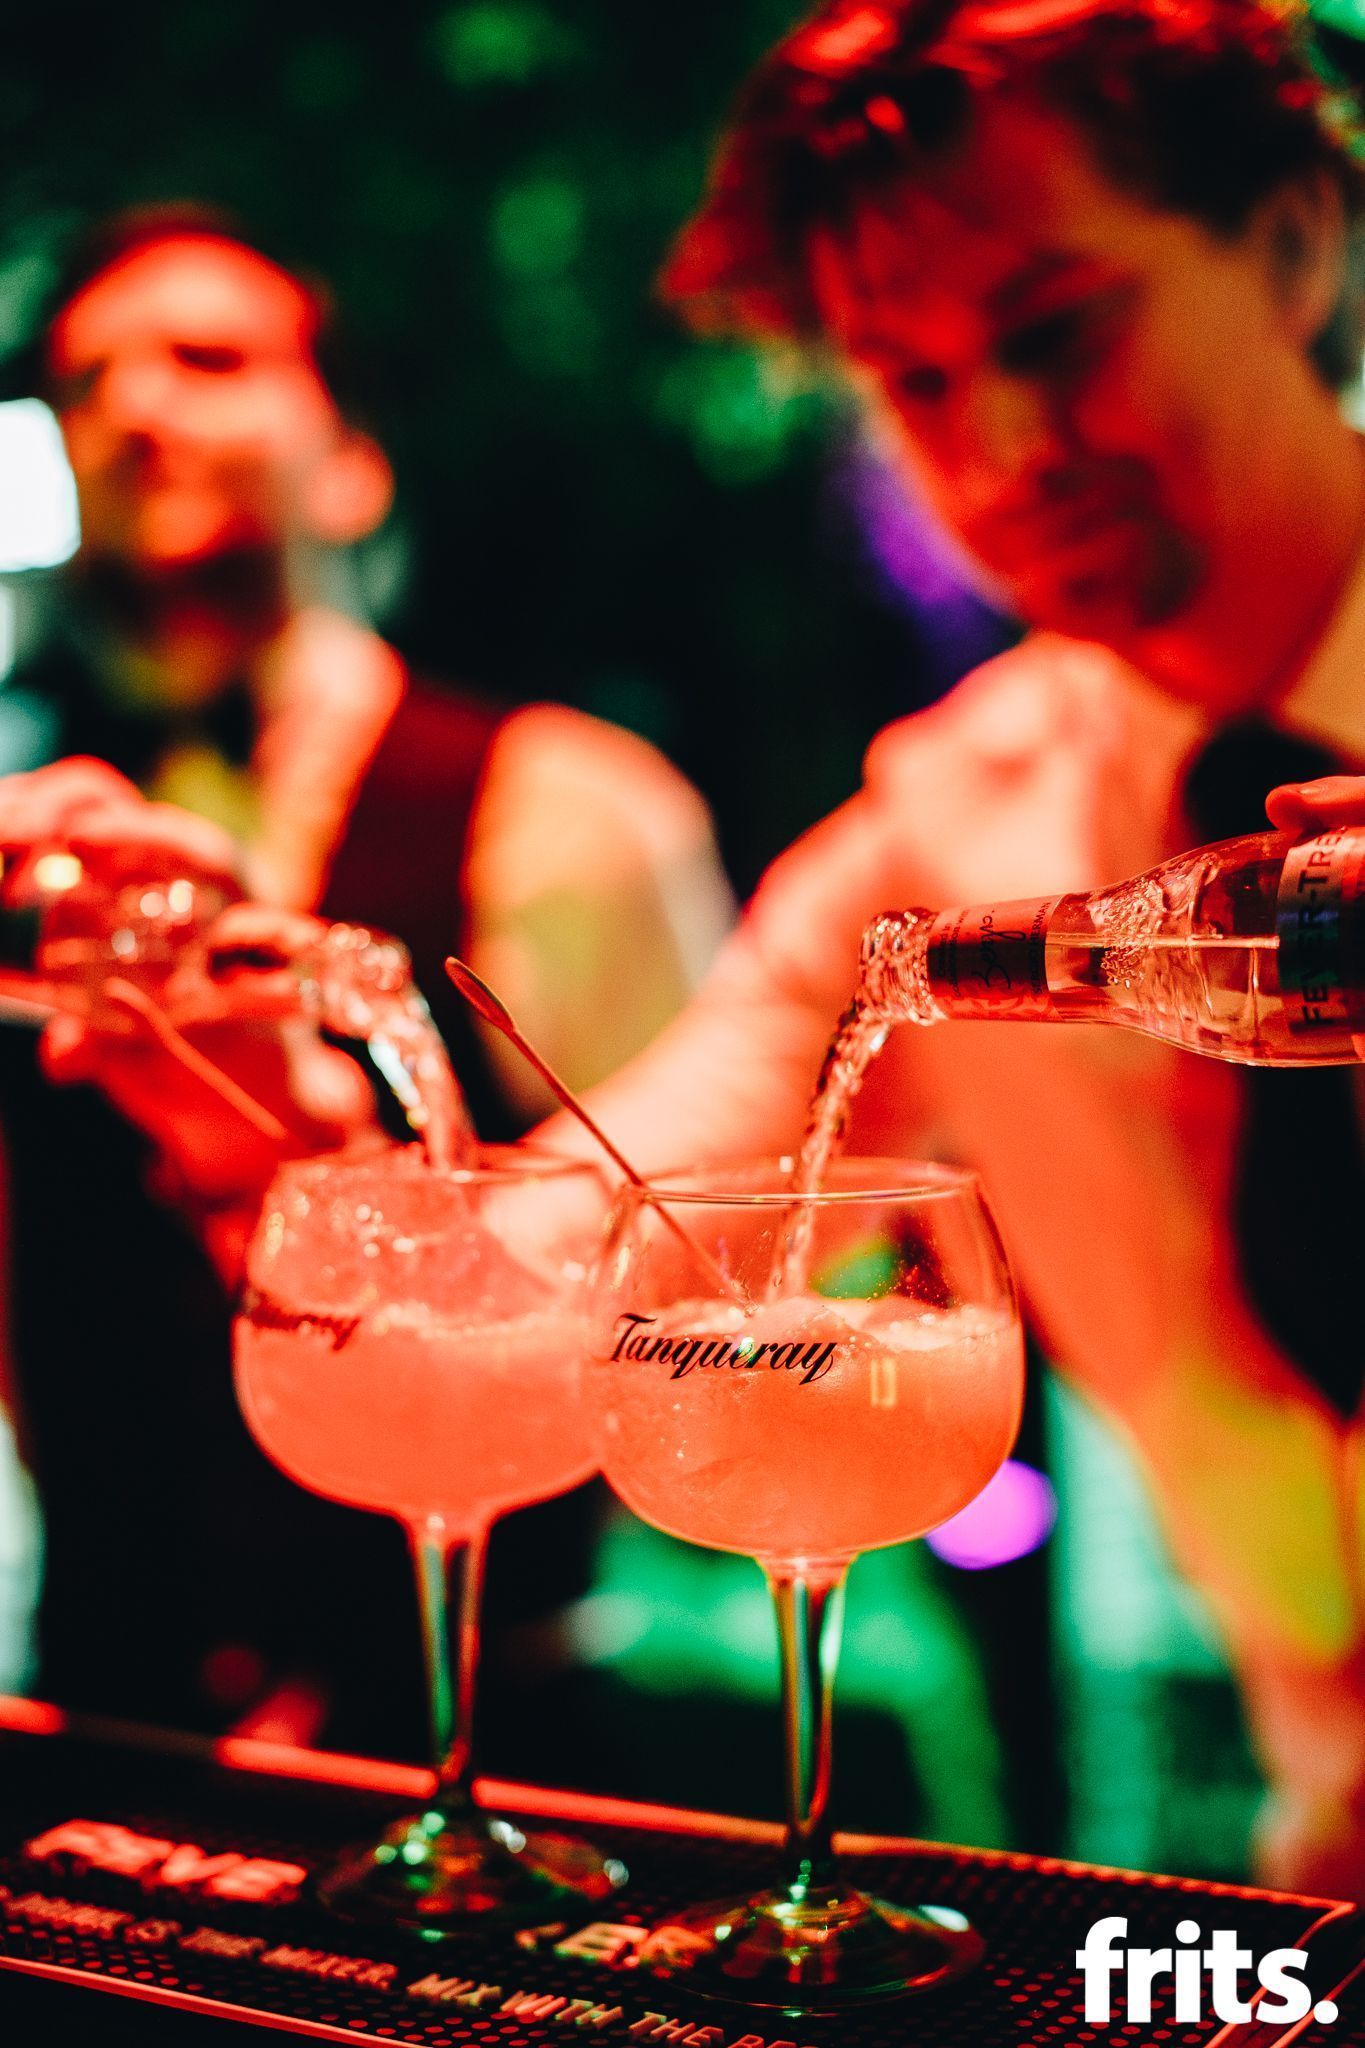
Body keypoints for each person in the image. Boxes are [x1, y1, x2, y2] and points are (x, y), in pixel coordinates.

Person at [526, 0, 1365, 1897]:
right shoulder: (952, 834)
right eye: (911, 383)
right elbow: (616, 1194)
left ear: (1296, 240)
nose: (997, 451)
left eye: (1057, 334)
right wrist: (291, 1127)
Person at [0, 209, 733, 1747]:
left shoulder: (569, 803)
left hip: (484, 1717)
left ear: (352, 458)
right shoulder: (32, 848)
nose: (135, 408)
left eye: (210, 359)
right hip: (104, 1702)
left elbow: (712, 1277)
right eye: (88, 382)